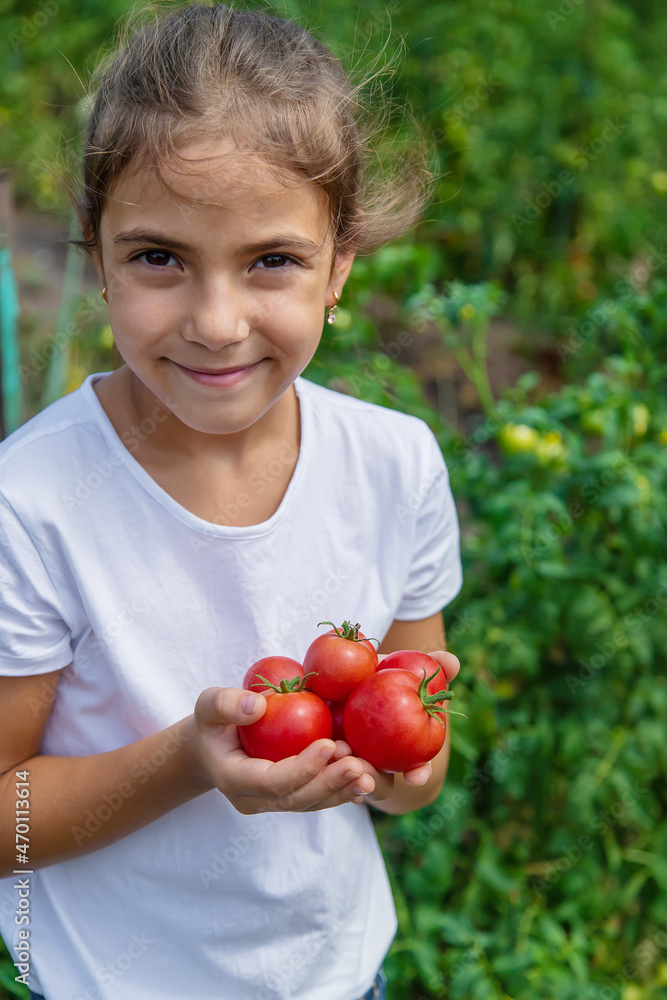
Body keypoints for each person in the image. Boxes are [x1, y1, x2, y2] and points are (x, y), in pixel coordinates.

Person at [0, 4, 463, 998]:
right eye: (159, 257)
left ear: (339, 265)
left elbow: (415, 767)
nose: (216, 324)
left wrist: (401, 762)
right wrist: (190, 760)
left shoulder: (396, 466)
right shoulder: (28, 505)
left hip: (339, 972)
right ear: (96, 257)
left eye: (272, 261)